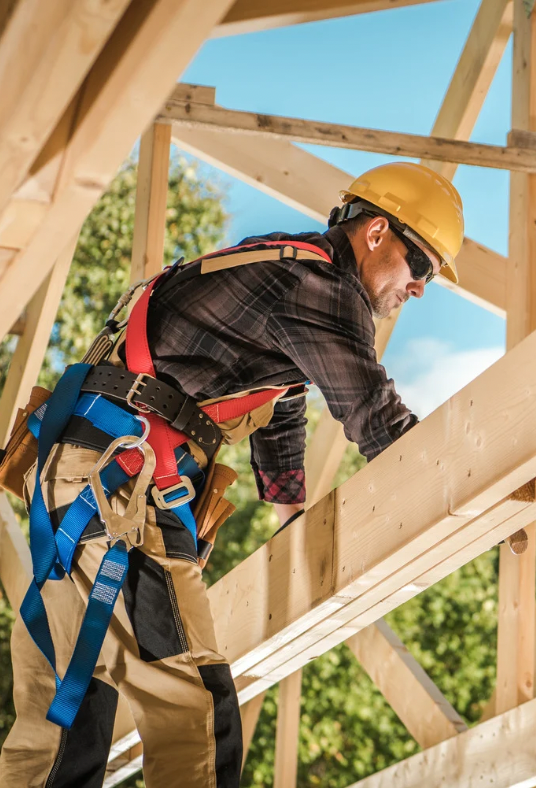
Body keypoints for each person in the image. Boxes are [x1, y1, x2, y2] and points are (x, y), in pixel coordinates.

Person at [0, 161, 464, 787]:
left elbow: (282, 397)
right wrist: (460, 474)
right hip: (120, 490)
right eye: (423, 267)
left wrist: (288, 510)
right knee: (195, 709)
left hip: (73, 482)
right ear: (378, 232)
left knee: (67, 717)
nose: (420, 289)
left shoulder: (276, 266)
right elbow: (376, 418)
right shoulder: (322, 287)